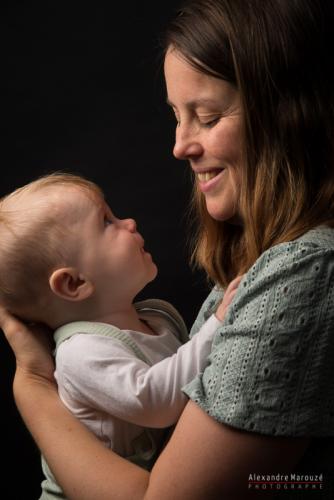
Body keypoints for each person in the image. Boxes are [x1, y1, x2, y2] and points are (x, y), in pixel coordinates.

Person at [2, 0, 334, 498]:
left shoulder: (303, 271)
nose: (180, 146)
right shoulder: (267, 256)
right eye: (177, 116)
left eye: (206, 115)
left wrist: (32, 385)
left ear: (289, 115)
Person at [0, 172, 240, 499]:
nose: (128, 222)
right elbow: (156, 401)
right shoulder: (80, 353)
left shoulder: (156, 318)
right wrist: (219, 322)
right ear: (74, 284)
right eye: (106, 222)